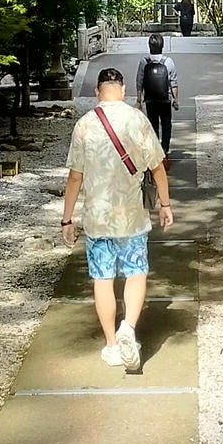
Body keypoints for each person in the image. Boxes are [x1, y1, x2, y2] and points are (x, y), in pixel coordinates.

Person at [62, 67, 172, 371]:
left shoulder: (84, 126)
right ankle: (129, 329)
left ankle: (111, 344)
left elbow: (74, 178)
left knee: (103, 279)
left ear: (98, 92)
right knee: (136, 272)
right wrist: (164, 204)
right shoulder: (137, 120)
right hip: (132, 216)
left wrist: (66, 220)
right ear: (121, 90)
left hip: (97, 220)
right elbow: (158, 167)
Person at [135, 31, 177, 156]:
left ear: (149, 46)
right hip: (165, 99)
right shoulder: (168, 62)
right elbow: (173, 82)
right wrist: (175, 99)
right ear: (162, 46)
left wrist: (139, 100)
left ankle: (154, 151)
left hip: (150, 99)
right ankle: (164, 150)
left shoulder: (144, 62)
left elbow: (139, 82)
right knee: (166, 125)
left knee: (153, 124)